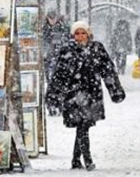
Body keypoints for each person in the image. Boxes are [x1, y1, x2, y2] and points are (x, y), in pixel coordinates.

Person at [45, 20, 126, 171]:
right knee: (82, 126)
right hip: (74, 95)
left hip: (92, 93)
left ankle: (76, 160)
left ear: (89, 34)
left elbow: (108, 70)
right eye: (77, 33)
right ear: (72, 35)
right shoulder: (67, 50)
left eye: (83, 33)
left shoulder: (97, 48)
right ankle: (88, 160)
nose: (80, 36)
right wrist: (53, 95)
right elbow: (59, 74)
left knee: (84, 126)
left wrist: (115, 90)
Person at [43, 9, 70, 115]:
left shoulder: (63, 26)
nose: (52, 21)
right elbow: (43, 41)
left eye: (53, 18)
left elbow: (68, 39)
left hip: (60, 59)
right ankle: (52, 105)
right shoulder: (45, 28)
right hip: (49, 59)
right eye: (50, 19)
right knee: (51, 83)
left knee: (60, 83)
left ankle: (59, 104)